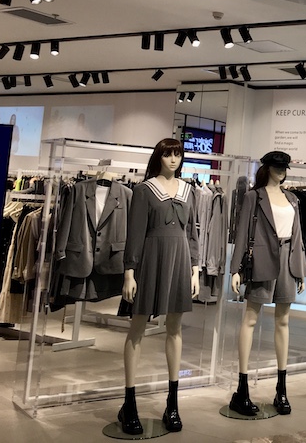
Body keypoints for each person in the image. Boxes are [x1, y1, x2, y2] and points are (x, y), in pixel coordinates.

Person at [117, 138, 199, 435]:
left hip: (180, 261)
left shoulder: (189, 191)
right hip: (150, 261)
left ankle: (172, 404)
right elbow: (135, 233)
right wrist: (129, 272)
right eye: (167, 154)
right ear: (158, 157)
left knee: (175, 329)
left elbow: (192, 233)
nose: (173, 159)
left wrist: (195, 270)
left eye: (178, 154)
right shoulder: (144, 190)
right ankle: (129, 403)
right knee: (137, 328)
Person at [228, 151, 306, 416]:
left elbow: (298, 236)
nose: (282, 171)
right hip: (261, 260)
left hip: (287, 262)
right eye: (277, 167)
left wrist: (301, 270)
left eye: (284, 167)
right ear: (268, 168)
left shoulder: (292, 198)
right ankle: (242, 389)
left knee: (283, 321)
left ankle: (281, 389)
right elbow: (241, 233)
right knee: (250, 319)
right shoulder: (254, 196)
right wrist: (235, 269)